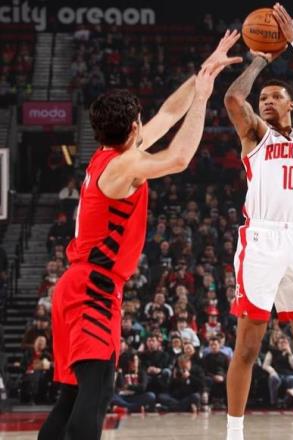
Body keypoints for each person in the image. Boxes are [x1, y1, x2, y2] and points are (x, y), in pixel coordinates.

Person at [38, 32, 242, 440]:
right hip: (91, 289)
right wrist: (203, 99)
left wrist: (205, 72)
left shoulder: (109, 155)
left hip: (80, 285)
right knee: (96, 393)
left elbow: (168, 114)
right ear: (133, 127)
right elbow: (179, 157)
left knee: (74, 396)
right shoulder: (123, 166)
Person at [224, 4, 293, 440]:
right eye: (263, 99)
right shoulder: (256, 134)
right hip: (262, 239)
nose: (267, 101)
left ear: (291, 104)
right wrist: (258, 61)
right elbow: (234, 99)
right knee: (248, 346)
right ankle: (234, 433)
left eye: (275, 97)